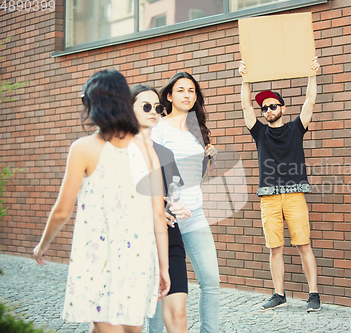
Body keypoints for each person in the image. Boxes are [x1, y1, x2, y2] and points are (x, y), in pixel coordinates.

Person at [32, 69, 170, 333]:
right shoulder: (147, 149)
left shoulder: (84, 148)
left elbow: (62, 211)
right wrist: (163, 267)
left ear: (94, 105)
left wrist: (42, 246)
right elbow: (158, 215)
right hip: (139, 256)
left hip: (98, 255)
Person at [238, 57, 321, 312]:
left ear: (283, 108)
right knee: (275, 248)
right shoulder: (260, 132)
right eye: (264, 108)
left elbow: (310, 101)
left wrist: (312, 75)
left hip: (295, 195)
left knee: (303, 245)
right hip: (269, 198)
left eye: (273, 106)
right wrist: (244, 79)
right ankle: (278, 294)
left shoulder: (296, 128)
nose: (268, 110)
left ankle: (314, 295)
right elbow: (244, 106)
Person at [151, 71, 220, 333]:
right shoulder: (157, 127)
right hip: (167, 215)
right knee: (164, 284)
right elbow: (152, 170)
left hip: (195, 213)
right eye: (181, 90)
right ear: (169, 95)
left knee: (211, 280)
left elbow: (193, 177)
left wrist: (207, 160)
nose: (187, 95)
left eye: (191, 90)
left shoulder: (195, 130)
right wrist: (158, 207)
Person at [130, 84, 191, 333]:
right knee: (131, 316)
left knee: (178, 310)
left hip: (168, 236)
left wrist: (177, 203)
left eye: (158, 107)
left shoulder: (165, 153)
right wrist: (151, 212)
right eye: (146, 106)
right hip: (134, 238)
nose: (153, 111)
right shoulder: (118, 150)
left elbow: (173, 191)